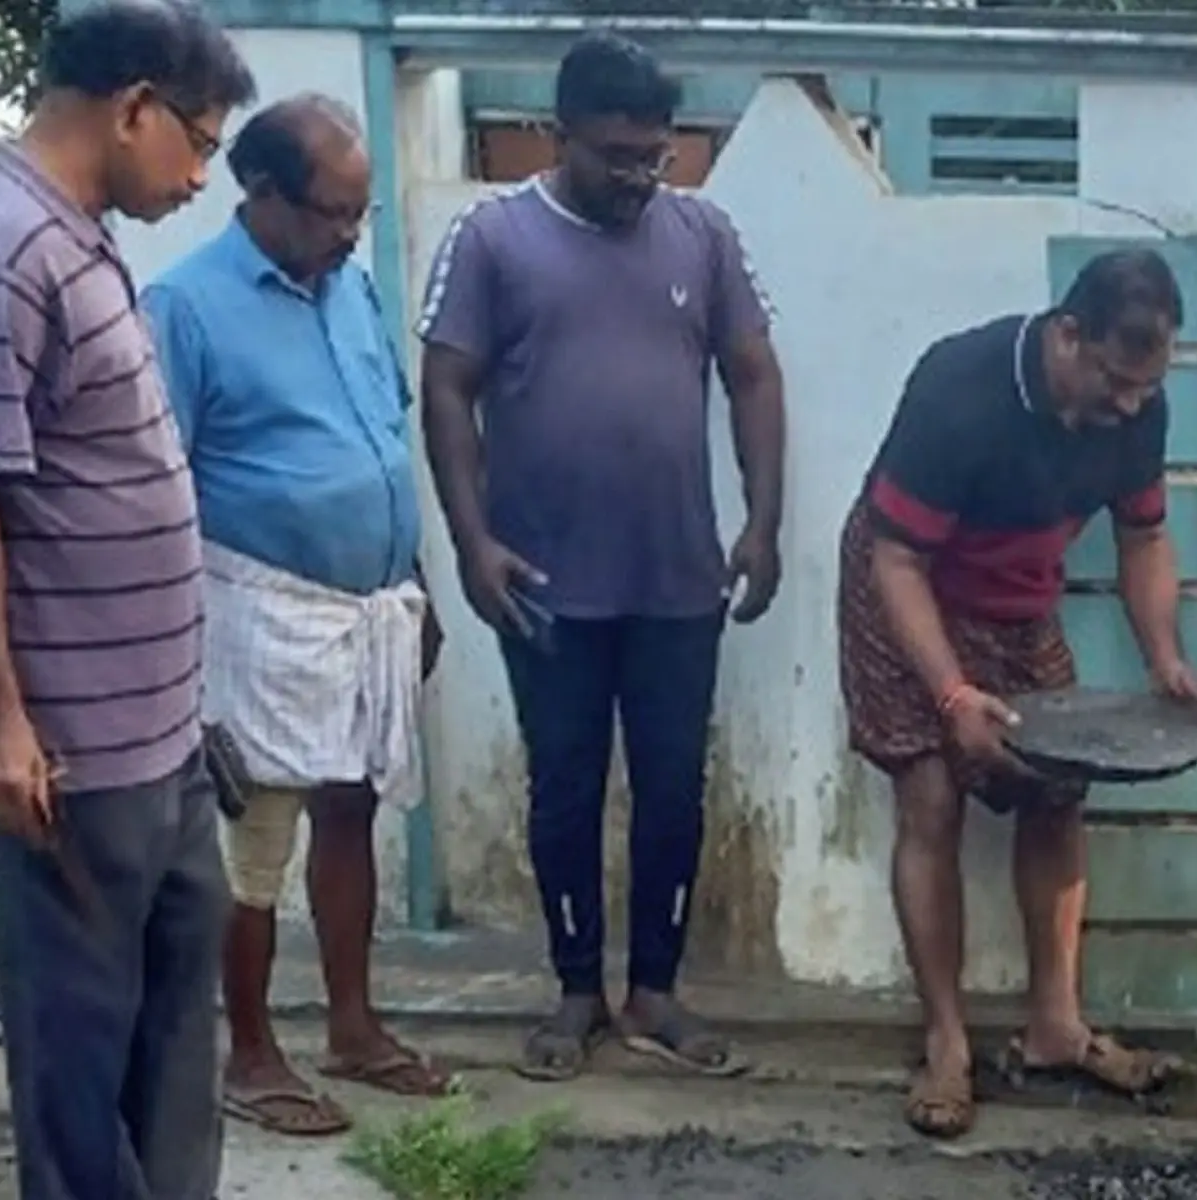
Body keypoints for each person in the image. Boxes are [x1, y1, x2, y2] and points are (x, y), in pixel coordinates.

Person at [417, 30, 786, 1082]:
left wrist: (761, 520)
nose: (637, 176)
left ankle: (655, 991)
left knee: (674, 791)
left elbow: (754, 372)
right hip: (544, 583)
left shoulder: (704, 234)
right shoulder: (490, 237)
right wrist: (472, 538)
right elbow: (448, 386)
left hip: (678, 581)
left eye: (653, 155)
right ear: (558, 133)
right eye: (615, 155)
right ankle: (575, 990)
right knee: (564, 791)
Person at [0, 1, 255, 1196]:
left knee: (176, 1047)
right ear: (134, 107)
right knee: (82, 1073)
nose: (201, 177)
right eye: (201, 142)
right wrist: (0, 722)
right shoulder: (1, 251)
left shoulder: (74, 234)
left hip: (158, 741)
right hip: (69, 762)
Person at [838, 248, 1197, 1140]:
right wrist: (954, 694)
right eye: (1118, 383)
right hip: (907, 594)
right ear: (1067, 334)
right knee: (930, 799)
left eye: (1144, 388)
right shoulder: (959, 388)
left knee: (1057, 793)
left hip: (1017, 603)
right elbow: (896, 558)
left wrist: (1164, 659)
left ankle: (1054, 1028)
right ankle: (948, 1044)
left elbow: (1144, 539)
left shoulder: (1136, 406)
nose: (1130, 405)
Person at [144, 94, 454, 1138]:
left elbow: (379, 443)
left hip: (367, 609)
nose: (347, 233)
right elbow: (157, 492)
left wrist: (417, 584)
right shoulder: (185, 309)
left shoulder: (350, 289)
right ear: (262, 194)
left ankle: (354, 1028)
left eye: (359, 213)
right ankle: (253, 1051)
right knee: (252, 845)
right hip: (254, 615)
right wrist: (179, 671)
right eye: (330, 212)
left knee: (351, 806)